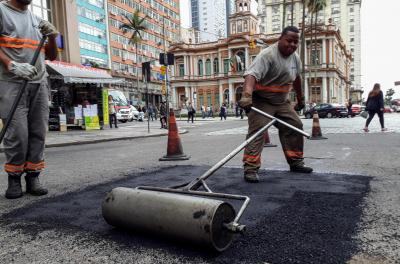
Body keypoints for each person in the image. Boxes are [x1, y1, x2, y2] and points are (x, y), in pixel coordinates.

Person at [238, 26, 312, 183]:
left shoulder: (295, 58)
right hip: (262, 101)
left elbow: (297, 78)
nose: (292, 45)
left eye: (295, 42)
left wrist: (301, 99)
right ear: (280, 39)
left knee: (295, 125)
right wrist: (246, 96)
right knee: (258, 131)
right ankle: (250, 169)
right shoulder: (267, 55)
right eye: (289, 41)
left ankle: (296, 162)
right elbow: (251, 76)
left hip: (282, 101)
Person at [0, 0, 58, 199]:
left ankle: (33, 176)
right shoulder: (2, 11)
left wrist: (52, 37)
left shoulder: (37, 20)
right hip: (11, 82)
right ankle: (14, 178)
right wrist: (11, 65)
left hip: (39, 83)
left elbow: (51, 56)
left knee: (38, 133)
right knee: (17, 134)